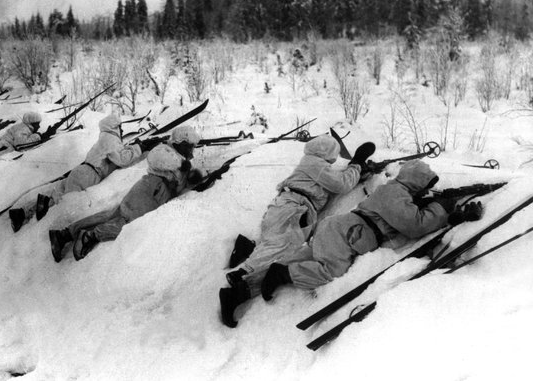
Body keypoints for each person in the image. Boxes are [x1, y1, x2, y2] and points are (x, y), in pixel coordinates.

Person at [220, 160, 484, 328]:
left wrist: (454, 217)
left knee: (298, 259)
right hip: (347, 235)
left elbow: (412, 220)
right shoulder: (395, 193)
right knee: (328, 272)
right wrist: (442, 206)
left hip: (337, 229)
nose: (427, 192)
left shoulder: (395, 192)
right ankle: (282, 274)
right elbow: (415, 225)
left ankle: (239, 292)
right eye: (426, 186)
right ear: (417, 182)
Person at [219, 135, 371, 328]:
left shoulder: (312, 165)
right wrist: (357, 163)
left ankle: (244, 260)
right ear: (327, 152)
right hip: (294, 209)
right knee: (280, 247)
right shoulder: (315, 164)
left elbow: (333, 181)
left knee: (275, 246)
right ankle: (241, 273)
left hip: (286, 206)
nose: (334, 159)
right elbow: (341, 184)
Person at [47, 126, 202, 263]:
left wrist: (192, 177)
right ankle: (91, 236)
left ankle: (64, 234)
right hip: (151, 190)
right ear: (180, 142)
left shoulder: (179, 157)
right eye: (189, 147)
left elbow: (181, 181)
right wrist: (182, 165)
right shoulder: (165, 149)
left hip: (153, 192)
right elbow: (155, 158)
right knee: (130, 225)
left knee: (112, 215)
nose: (191, 152)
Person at [7, 111, 163, 232]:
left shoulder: (104, 138)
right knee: (67, 202)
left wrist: (131, 146)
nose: (121, 130)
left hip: (80, 171)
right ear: (115, 127)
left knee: (58, 194)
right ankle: (54, 226)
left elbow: (117, 152)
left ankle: (22, 212)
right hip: (89, 175)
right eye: (120, 127)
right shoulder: (111, 139)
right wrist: (140, 147)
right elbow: (121, 159)